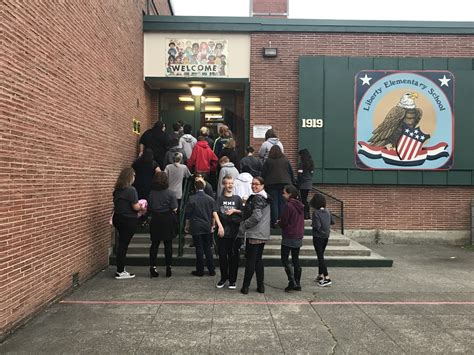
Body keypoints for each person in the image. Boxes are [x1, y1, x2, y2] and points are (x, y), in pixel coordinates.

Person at [238, 176, 271, 294]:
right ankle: (260, 286)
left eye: (256, 184)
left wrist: (244, 225)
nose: (253, 186)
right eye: (252, 184)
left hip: (254, 233)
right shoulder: (266, 197)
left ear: (262, 185)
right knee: (258, 260)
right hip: (262, 233)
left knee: (251, 261)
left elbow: (256, 216)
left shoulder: (257, 198)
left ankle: (245, 287)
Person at [185, 180, 224, 277]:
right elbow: (213, 214)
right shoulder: (210, 199)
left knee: (199, 248)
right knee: (207, 247)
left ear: (195, 187)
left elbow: (188, 215)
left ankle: (200, 270)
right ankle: (211, 269)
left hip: (196, 225)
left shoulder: (191, 198)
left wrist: (187, 225)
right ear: (204, 187)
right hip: (207, 225)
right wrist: (213, 225)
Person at [112, 168, 145, 279]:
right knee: (123, 245)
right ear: (130, 177)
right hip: (128, 219)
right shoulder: (131, 190)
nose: (135, 177)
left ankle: (120, 268)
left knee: (122, 243)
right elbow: (135, 207)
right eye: (134, 175)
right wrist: (142, 207)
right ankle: (120, 271)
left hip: (118, 218)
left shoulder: (117, 189)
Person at [148, 172, 178, 278]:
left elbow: (150, 207)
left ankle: (153, 266)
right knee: (168, 244)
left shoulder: (151, 193)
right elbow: (174, 208)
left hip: (155, 218)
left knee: (154, 244)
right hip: (167, 219)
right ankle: (168, 266)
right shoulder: (170, 193)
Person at [215, 176, 243, 289]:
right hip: (223, 232)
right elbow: (215, 212)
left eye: (232, 183)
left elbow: (243, 212)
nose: (230, 185)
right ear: (224, 185)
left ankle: (232, 280)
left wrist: (235, 210)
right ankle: (223, 278)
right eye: (228, 183)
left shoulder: (237, 198)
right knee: (222, 256)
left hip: (235, 233)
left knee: (234, 257)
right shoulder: (220, 198)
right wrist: (219, 226)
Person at [278, 185, 304, 292]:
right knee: (295, 259)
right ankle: (297, 282)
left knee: (285, 259)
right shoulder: (300, 206)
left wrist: (279, 223)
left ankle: (291, 281)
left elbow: (284, 221)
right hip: (298, 234)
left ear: (289, 194)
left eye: (284, 193)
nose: (283, 194)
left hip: (289, 234)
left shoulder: (288, 206)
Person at [261, 145, 295, 228]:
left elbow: (263, 173)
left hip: (271, 184)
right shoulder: (286, 160)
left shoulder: (268, 161)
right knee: (283, 203)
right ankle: (282, 221)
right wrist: (293, 183)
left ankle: (274, 223)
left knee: (274, 203)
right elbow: (291, 172)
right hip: (285, 183)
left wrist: (263, 183)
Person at [310, 193, 335, 287]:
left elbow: (317, 226)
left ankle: (327, 277)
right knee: (321, 255)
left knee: (320, 257)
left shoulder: (315, 213)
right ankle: (320, 275)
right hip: (326, 236)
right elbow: (332, 222)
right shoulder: (328, 211)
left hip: (318, 237)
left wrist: (312, 225)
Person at [297, 149, 314, 220]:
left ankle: (303, 215)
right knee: (305, 199)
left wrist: (298, 182)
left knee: (303, 199)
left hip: (303, 183)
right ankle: (308, 215)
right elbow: (312, 173)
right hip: (309, 182)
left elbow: (299, 174)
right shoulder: (311, 163)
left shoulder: (301, 163)